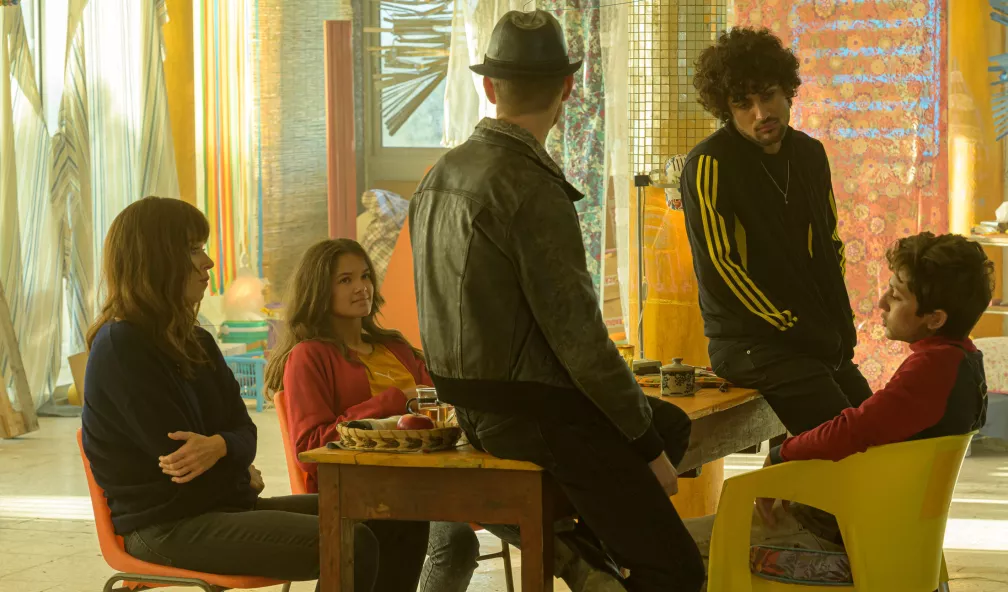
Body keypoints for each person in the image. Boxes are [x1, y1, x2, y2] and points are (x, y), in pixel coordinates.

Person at [409, 9, 705, 592]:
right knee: (677, 569)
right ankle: (591, 561)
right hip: (536, 418)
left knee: (667, 421)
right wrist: (647, 451)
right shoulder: (530, 188)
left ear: (489, 88)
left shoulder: (439, 174)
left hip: (468, 412)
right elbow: (582, 343)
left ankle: (584, 555)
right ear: (568, 88)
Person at [80, 197, 386, 590]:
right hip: (165, 526)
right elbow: (181, 463)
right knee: (349, 541)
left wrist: (223, 447)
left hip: (223, 506)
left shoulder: (197, 340)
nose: (208, 262)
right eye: (194, 249)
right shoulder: (121, 347)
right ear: (156, 259)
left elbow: (245, 432)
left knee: (386, 514)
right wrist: (237, 466)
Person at [686, 232, 991, 570]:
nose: (882, 303)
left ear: (935, 318)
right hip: (883, 530)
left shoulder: (932, 370)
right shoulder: (964, 361)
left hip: (844, 537)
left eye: (896, 296)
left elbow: (854, 429)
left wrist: (780, 455)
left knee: (667, 547)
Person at [680, 27, 873, 435]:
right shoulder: (710, 164)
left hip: (812, 335)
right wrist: (793, 326)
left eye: (767, 95)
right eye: (743, 104)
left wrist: (831, 322)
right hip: (748, 342)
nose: (760, 113)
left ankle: (784, 476)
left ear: (787, 91)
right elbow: (721, 268)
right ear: (726, 109)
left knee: (879, 428)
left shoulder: (809, 155)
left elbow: (830, 243)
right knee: (846, 436)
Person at [264, 238, 479, 592]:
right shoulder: (309, 356)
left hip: (435, 479)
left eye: (365, 276)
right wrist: (396, 402)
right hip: (363, 491)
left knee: (521, 511)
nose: (361, 287)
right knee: (455, 541)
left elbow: (442, 407)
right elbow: (312, 446)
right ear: (319, 290)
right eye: (345, 280)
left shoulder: (395, 347)